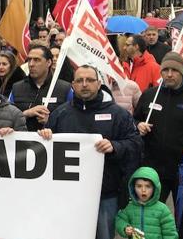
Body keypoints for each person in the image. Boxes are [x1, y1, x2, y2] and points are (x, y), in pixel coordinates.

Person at [39, 65, 142, 239]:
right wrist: (44, 136)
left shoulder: (117, 114)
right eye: (79, 80)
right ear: (73, 85)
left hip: (105, 194)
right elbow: (45, 151)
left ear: (99, 83)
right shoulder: (60, 114)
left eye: (90, 80)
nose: (84, 84)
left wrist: (115, 146)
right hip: (68, 195)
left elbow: (136, 144)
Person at [134, 52, 183, 238]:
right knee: (149, 218)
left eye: (174, 70)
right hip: (153, 170)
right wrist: (138, 125)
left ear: (182, 72)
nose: (169, 74)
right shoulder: (150, 95)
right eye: (165, 70)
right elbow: (134, 119)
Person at [9, 45, 72, 131]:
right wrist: (26, 114)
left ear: (49, 62)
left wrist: (50, 121)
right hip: (23, 142)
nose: (31, 64)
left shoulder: (65, 89)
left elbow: (73, 121)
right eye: (29, 60)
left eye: (36, 60)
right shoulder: (17, 88)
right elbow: (7, 119)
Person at [114, 167, 178, 239]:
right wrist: (125, 228)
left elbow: (170, 233)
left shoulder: (163, 209)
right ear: (133, 187)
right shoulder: (129, 207)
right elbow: (120, 220)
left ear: (155, 188)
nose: (143, 190)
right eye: (139, 186)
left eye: (148, 186)